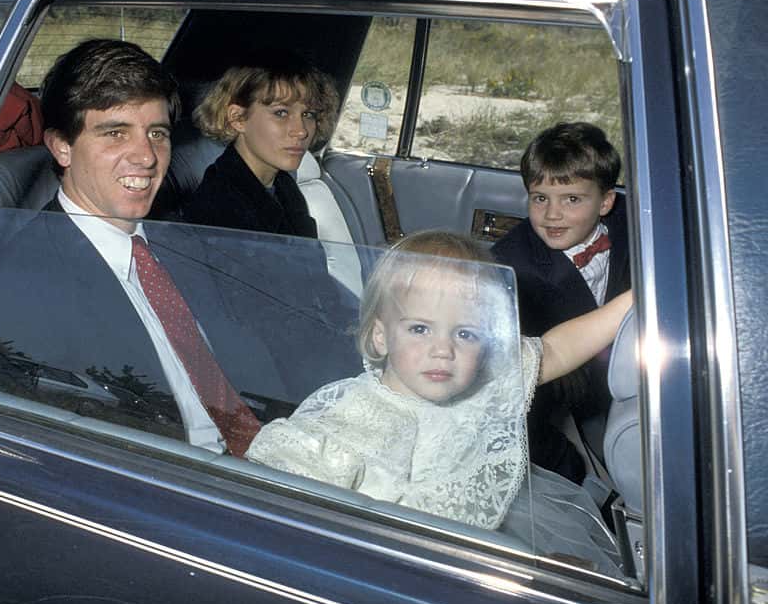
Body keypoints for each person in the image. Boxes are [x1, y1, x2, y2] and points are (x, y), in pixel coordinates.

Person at [0, 39, 292, 456]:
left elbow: (252, 358)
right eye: (115, 133)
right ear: (62, 147)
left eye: (156, 133)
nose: (146, 157)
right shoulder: (21, 290)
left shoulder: (181, 240)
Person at [246, 231, 631, 572]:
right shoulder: (351, 415)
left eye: (465, 333)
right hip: (398, 571)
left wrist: (636, 299)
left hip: (478, 540)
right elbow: (281, 501)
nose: (443, 350)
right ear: (380, 336)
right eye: (419, 328)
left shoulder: (482, 382)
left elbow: (557, 349)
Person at [491, 122, 630, 484]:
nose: (552, 214)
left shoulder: (632, 222)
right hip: (558, 390)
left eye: (572, 199)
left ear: (606, 202)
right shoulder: (509, 265)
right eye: (540, 198)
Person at [183, 54, 340, 236]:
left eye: (308, 114)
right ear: (238, 118)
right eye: (281, 113)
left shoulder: (283, 187)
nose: (301, 131)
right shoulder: (221, 208)